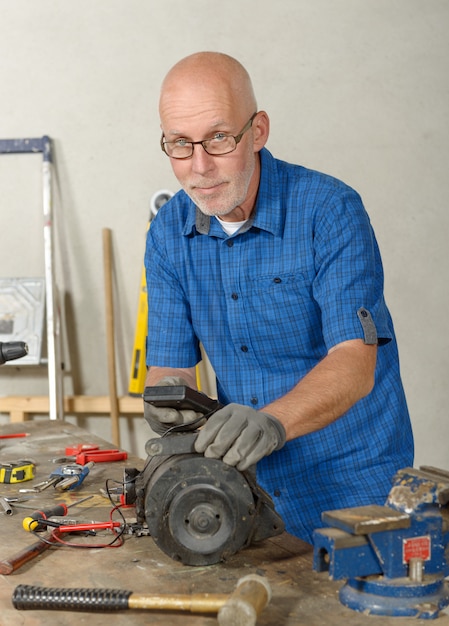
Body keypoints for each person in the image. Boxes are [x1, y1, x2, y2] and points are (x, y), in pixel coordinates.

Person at [143, 51, 414, 544]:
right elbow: (170, 363)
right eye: (180, 144)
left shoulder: (330, 211)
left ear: (259, 130)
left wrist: (273, 421)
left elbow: (356, 362)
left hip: (356, 482)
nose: (199, 167)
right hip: (247, 485)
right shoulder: (167, 234)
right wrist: (165, 396)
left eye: (219, 138)